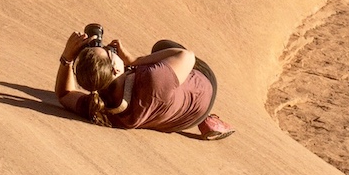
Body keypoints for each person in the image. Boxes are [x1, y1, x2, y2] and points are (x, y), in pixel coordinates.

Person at [55, 23, 232, 139]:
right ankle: (208, 119)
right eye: (109, 53)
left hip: (178, 121)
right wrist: (134, 61)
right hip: (204, 94)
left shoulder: (99, 107)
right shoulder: (153, 79)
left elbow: (64, 94)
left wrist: (67, 58)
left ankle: (203, 118)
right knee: (162, 47)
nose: (110, 49)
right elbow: (187, 56)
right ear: (116, 69)